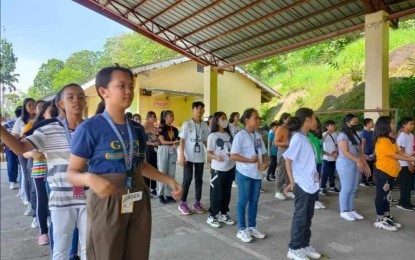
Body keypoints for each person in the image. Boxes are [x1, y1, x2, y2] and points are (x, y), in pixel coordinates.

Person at [66, 66, 182, 260]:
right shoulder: (89, 128)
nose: (129, 91)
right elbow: (72, 173)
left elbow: (141, 165)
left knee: (138, 252)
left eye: (131, 86)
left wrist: (169, 180)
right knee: (106, 252)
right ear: (103, 92)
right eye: (121, 86)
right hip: (108, 198)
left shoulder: (136, 128)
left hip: (138, 195)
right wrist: (89, 178)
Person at [0, 83, 89, 259]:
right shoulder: (47, 130)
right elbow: (19, 148)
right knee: (61, 250)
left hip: (91, 197)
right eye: (70, 97)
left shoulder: (92, 129)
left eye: (80, 96)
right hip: (61, 199)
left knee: (90, 249)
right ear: (60, 104)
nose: (76, 100)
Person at [283, 107, 322, 260]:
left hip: (311, 183)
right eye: (314, 118)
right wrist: (292, 181)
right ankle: (294, 248)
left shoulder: (305, 136)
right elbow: (288, 160)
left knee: (307, 216)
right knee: (300, 217)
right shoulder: (298, 138)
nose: (316, 121)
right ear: (307, 119)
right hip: (303, 184)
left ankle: (304, 245)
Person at [231, 108, 268, 243]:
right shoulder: (240, 136)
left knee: (254, 202)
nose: (258, 120)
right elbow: (233, 155)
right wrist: (249, 161)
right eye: (256, 118)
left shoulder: (258, 136)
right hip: (244, 173)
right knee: (243, 201)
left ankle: (252, 227)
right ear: (247, 120)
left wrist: (265, 164)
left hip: (257, 174)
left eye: (259, 118)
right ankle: (242, 229)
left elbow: (264, 154)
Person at [373, 116, 415, 231]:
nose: (393, 125)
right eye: (391, 123)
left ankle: (387, 216)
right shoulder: (381, 140)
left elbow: (399, 152)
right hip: (383, 172)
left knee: (387, 195)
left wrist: (411, 155)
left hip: (391, 172)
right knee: (381, 195)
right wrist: (411, 160)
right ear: (384, 125)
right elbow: (393, 155)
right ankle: (380, 219)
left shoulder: (390, 139)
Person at [23, 101, 55, 245]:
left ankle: (54, 227)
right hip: (41, 169)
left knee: (56, 202)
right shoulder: (35, 129)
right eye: (46, 109)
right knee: (42, 199)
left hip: (57, 171)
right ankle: (43, 232)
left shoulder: (63, 126)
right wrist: (32, 154)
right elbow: (22, 151)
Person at [337, 114, 370, 221]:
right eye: (354, 122)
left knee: (353, 188)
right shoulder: (342, 136)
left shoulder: (355, 135)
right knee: (346, 188)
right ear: (347, 123)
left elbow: (360, 152)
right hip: (345, 164)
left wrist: (365, 165)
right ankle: (344, 211)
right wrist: (358, 161)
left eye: (357, 122)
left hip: (356, 164)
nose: (356, 124)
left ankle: (350, 209)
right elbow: (345, 152)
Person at [178, 101, 209, 215]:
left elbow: (206, 141)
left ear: (203, 110)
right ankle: (182, 203)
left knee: (199, 180)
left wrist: (210, 155)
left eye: (201, 108)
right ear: (193, 110)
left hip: (200, 157)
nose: (199, 110)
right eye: (197, 108)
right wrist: (181, 155)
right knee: (187, 179)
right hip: (188, 156)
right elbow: (182, 140)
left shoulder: (205, 125)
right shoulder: (187, 124)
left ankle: (197, 203)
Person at [206, 111, 236, 228]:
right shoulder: (213, 136)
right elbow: (209, 153)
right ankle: (212, 216)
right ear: (217, 121)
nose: (225, 120)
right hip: (218, 169)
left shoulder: (229, 135)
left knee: (227, 193)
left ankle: (223, 214)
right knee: (216, 194)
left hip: (230, 167)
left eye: (226, 118)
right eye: (223, 118)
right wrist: (216, 157)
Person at [11, 98, 36, 213]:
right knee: (26, 174)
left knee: (35, 176)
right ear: (25, 107)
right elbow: (14, 134)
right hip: (23, 150)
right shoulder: (21, 120)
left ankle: (37, 202)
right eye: (29, 105)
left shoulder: (39, 118)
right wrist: (21, 137)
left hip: (36, 149)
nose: (32, 107)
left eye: (33, 105)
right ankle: (30, 203)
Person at [157, 110, 180, 205]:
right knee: (162, 172)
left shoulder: (175, 129)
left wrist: (176, 143)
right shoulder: (161, 127)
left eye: (173, 115)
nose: (172, 117)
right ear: (165, 117)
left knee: (171, 173)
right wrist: (173, 142)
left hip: (173, 150)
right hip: (163, 150)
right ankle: (161, 194)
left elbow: (178, 140)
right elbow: (162, 141)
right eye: (170, 116)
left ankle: (170, 195)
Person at [396, 117, 415, 211]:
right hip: (404, 163)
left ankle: (407, 202)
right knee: (404, 184)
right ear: (404, 125)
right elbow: (401, 151)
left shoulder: (411, 135)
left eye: (413, 124)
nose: (412, 126)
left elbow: (410, 149)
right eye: (410, 124)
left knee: (408, 184)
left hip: (410, 162)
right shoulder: (402, 136)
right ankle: (402, 203)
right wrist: (409, 163)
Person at [307, 118, 326, 210]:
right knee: (312, 181)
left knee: (316, 181)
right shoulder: (308, 135)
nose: (317, 126)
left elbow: (321, 148)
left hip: (319, 161)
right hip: (312, 163)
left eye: (318, 124)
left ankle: (316, 199)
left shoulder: (318, 135)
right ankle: (312, 201)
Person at [3, 106, 22, 189]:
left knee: (13, 164)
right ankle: (12, 181)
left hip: (15, 147)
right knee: (14, 164)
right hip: (12, 147)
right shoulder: (19, 122)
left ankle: (13, 181)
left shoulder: (8, 124)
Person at [320, 120, 340, 196]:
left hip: (334, 157)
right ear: (327, 127)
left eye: (334, 125)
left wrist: (336, 152)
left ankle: (332, 186)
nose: (334, 127)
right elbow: (321, 141)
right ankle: (322, 188)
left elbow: (336, 144)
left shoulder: (335, 134)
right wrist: (328, 132)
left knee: (332, 173)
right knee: (325, 173)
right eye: (332, 125)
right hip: (327, 158)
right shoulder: (324, 134)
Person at [274, 112, 291, 200]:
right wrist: (286, 143)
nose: (290, 120)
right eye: (288, 118)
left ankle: (288, 190)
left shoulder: (289, 128)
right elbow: (276, 142)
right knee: (281, 172)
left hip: (290, 152)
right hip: (283, 152)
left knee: (289, 173)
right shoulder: (280, 128)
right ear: (284, 120)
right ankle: (278, 191)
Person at [143, 111, 159, 197]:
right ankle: (146, 188)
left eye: (154, 117)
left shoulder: (156, 130)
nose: (153, 119)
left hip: (155, 152)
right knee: (147, 169)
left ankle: (153, 188)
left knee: (154, 169)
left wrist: (156, 139)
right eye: (151, 117)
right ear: (147, 119)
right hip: (147, 151)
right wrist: (153, 143)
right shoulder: (143, 129)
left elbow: (158, 141)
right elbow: (144, 142)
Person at [360, 118, 375, 187]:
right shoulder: (364, 132)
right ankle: (363, 181)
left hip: (372, 153)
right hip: (366, 153)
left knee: (371, 167)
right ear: (367, 124)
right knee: (365, 166)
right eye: (372, 122)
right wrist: (362, 154)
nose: (373, 123)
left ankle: (370, 180)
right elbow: (363, 143)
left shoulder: (372, 132)